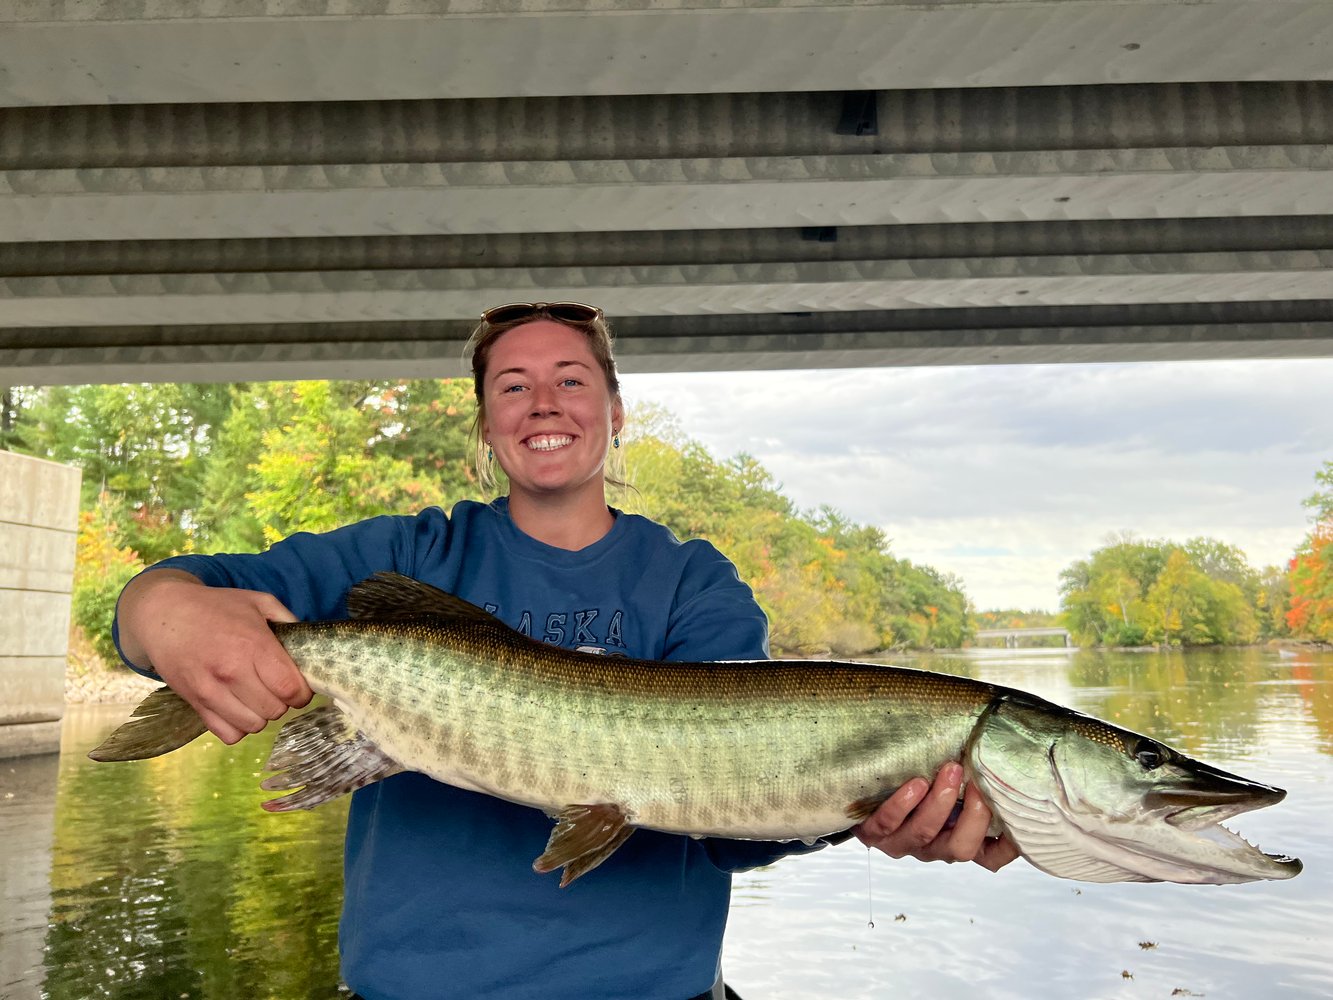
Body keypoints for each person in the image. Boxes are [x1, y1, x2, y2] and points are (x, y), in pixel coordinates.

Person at [113, 301, 1018, 1000]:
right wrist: (166, 614)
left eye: (571, 380)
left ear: (616, 410)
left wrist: (859, 810)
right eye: (512, 385)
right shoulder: (410, 554)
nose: (543, 403)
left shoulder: (694, 583)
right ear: (485, 420)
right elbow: (163, 599)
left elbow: (727, 838)